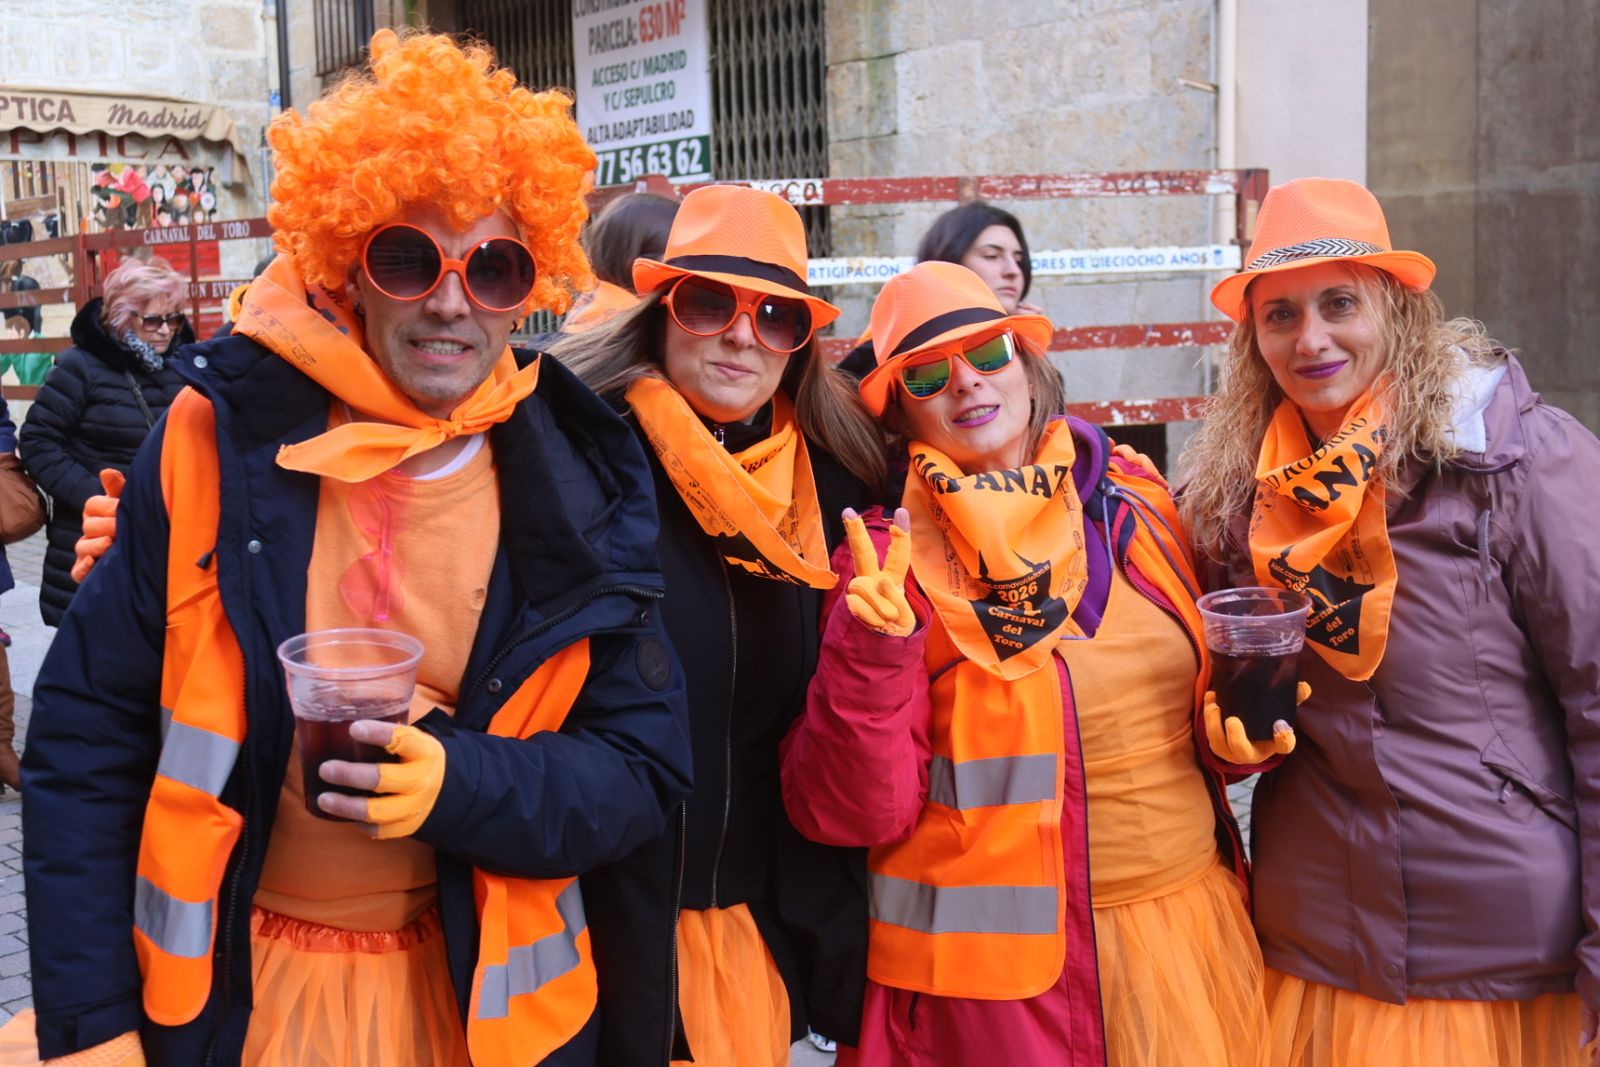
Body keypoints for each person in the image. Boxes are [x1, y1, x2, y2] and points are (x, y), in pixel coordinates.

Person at [20, 29, 690, 1067]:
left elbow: (641, 768)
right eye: (408, 257)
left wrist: (460, 782)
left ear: (530, 285)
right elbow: (85, 738)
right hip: (233, 1005)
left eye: (495, 266)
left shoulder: (579, 476)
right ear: (349, 266)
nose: (451, 299)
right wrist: (91, 1020)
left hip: (480, 1016)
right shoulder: (213, 440)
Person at [781, 260, 1268, 1066]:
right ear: (900, 411)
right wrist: (870, 652)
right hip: (988, 998)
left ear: (1028, 363)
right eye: (927, 373)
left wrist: (1234, 741)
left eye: (988, 352)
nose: (966, 381)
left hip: (1186, 942)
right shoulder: (886, 562)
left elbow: (1169, 727)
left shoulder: (1137, 502)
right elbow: (852, 813)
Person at [1179, 176, 1600, 1067]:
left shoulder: (1517, 462)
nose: (1311, 338)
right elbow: (1229, 708)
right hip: (1320, 941)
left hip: (1501, 943)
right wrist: (1232, 742)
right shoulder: (1236, 496)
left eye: (1340, 303)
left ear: (1398, 312)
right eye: (1280, 314)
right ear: (1254, 341)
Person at [555, 185, 885, 1066]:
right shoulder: (577, 454)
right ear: (661, 309)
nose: (744, 335)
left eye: (777, 316)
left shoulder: (837, 476)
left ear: (801, 342)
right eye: (710, 303)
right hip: (605, 927)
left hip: (760, 933)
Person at [18, 256, 190, 626]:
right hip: (95, 540)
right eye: (153, 320)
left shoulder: (183, 365)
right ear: (123, 317)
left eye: (174, 318)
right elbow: (37, 442)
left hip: (165, 537)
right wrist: (98, 497)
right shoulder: (81, 366)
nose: (166, 330)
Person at [838, 200, 1041, 379]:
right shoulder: (890, 351)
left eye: (1018, 260)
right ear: (948, 260)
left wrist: (1026, 356)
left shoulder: (1021, 345)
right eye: (991, 256)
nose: (1013, 271)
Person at [562, 191, 679, 334]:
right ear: (636, 263)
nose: (686, 272)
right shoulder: (627, 323)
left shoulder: (594, 304)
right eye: (675, 263)